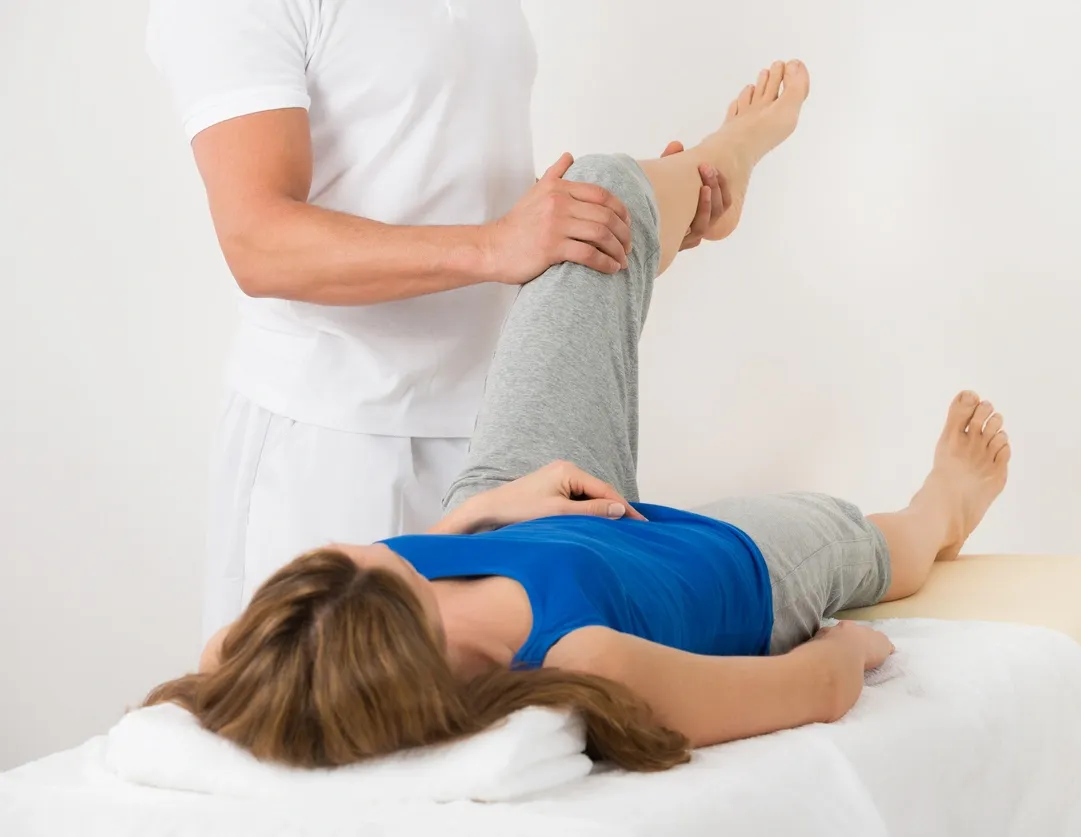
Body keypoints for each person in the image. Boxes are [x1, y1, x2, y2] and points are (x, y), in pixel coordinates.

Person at [145, 62, 1012, 772]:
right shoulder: (585, 660)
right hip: (713, 565)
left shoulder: (340, 624)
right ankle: (945, 507)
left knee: (590, 203)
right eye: (392, 565)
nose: (381, 549)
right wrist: (849, 653)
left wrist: (489, 512)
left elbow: (229, 652)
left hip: (521, 498)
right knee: (858, 539)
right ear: (419, 645)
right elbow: (819, 685)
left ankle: (718, 166)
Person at [146, 0, 732, 643]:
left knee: (517, 715)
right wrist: (494, 244)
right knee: (320, 728)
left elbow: (453, 186)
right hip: (337, 445)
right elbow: (258, 241)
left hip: (499, 434)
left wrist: (606, 227)